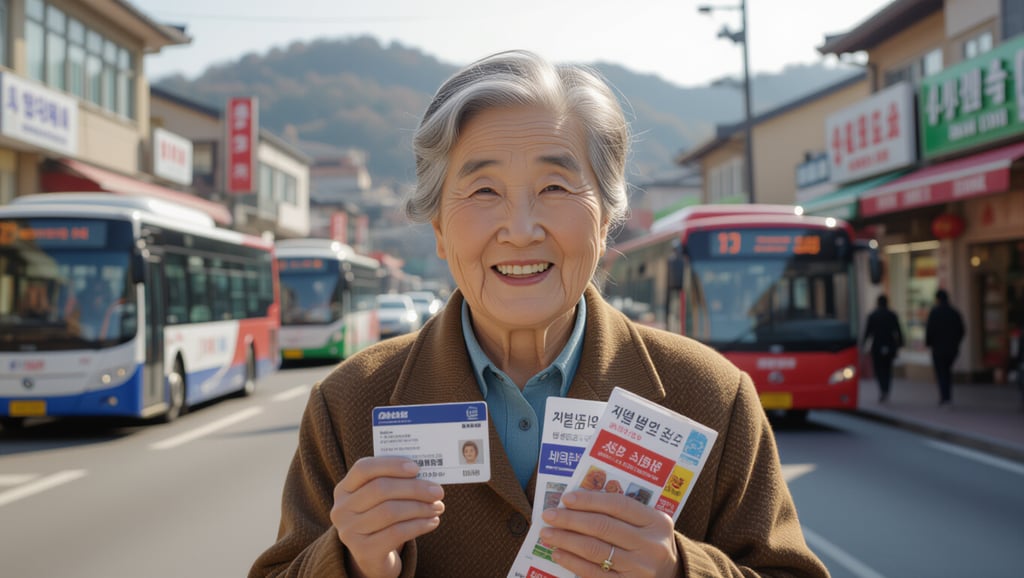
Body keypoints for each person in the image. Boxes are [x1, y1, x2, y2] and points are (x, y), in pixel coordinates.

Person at [250, 50, 828, 577]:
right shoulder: (349, 404)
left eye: (555, 186)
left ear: (605, 220)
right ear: (440, 233)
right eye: (482, 192)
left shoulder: (711, 396)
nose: (522, 229)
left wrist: (680, 569)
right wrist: (347, 561)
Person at [925, 288, 965, 406]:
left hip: (938, 349)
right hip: (951, 349)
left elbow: (929, 330)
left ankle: (944, 397)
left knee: (941, 372)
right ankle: (947, 396)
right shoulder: (954, 312)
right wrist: (955, 342)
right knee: (947, 371)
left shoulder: (935, 312)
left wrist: (929, 343)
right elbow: (961, 330)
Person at [862, 294, 904, 402]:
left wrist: (863, 344)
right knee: (887, 369)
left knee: (879, 369)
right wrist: (900, 344)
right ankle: (886, 389)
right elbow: (898, 331)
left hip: (877, 346)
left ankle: (883, 390)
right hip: (890, 345)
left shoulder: (873, 315)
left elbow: (867, 333)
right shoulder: (892, 315)